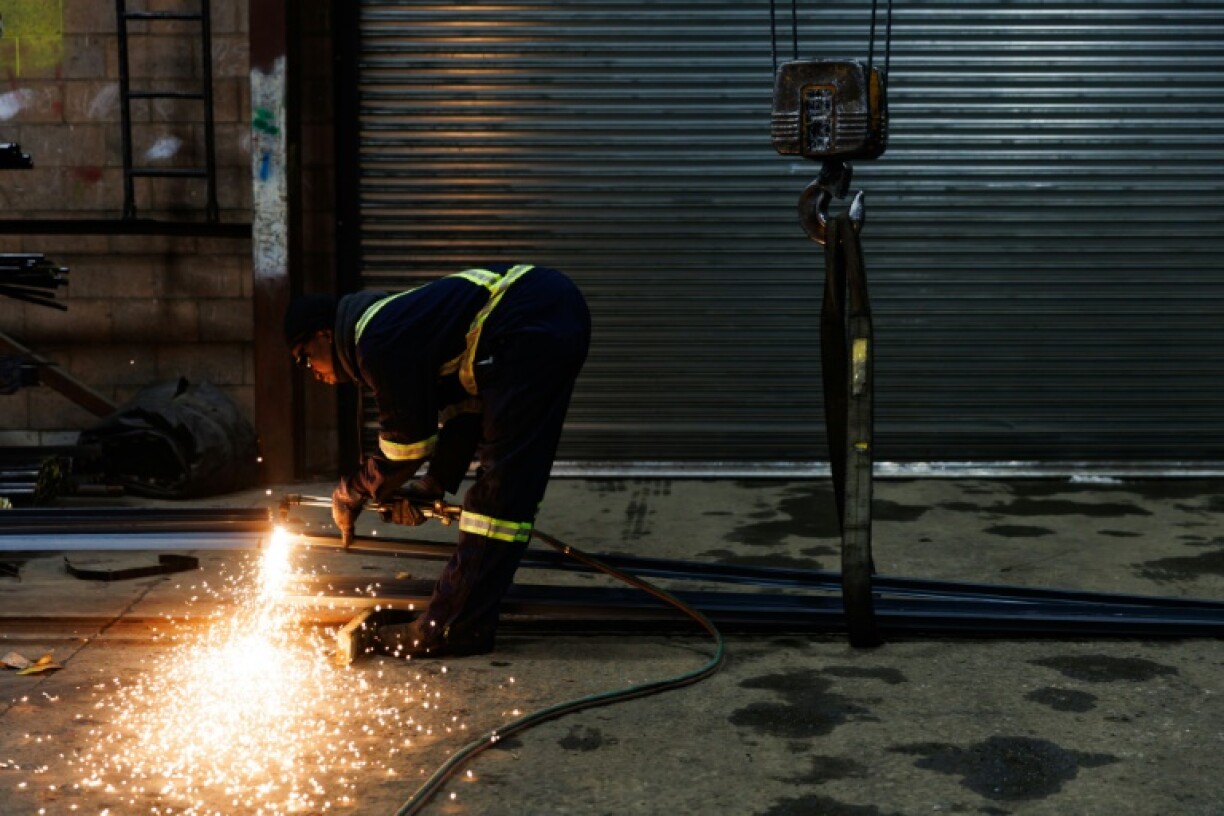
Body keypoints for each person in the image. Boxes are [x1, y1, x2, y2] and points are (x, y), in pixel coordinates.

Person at [283, 263, 590, 658]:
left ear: (324, 334)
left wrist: (351, 491)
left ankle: (452, 628)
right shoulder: (394, 325)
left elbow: (405, 448)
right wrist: (435, 483)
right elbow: (465, 411)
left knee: (497, 502)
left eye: (306, 359)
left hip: (529, 323)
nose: (313, 373)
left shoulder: (375, 341)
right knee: (506, 488)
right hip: (542, 315)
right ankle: (462, 619)